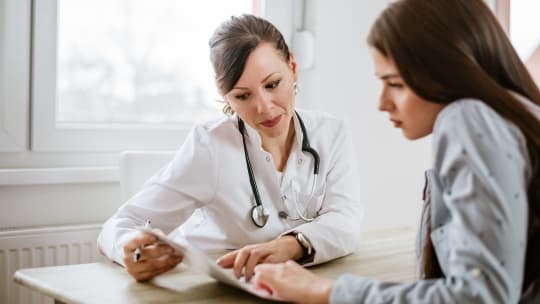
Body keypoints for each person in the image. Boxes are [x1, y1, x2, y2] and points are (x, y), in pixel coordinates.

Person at [251, 0, 540, 303]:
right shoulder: (519, 115)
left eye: (395, 84)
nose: (382, 102)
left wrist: (326, 291)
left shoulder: (466, 118)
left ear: (450, 71)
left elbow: (479, 296)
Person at [97, 14, 363, 282]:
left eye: (272, 84)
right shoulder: (210, 146)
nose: (264, 107)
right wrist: (131, 251)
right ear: (226, 96)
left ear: (292, 67)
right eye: (242, 95)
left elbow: (346, 221)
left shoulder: (331, 133)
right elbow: (120, 225)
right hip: (210, 287)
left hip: (291, 285)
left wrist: (291, 245)